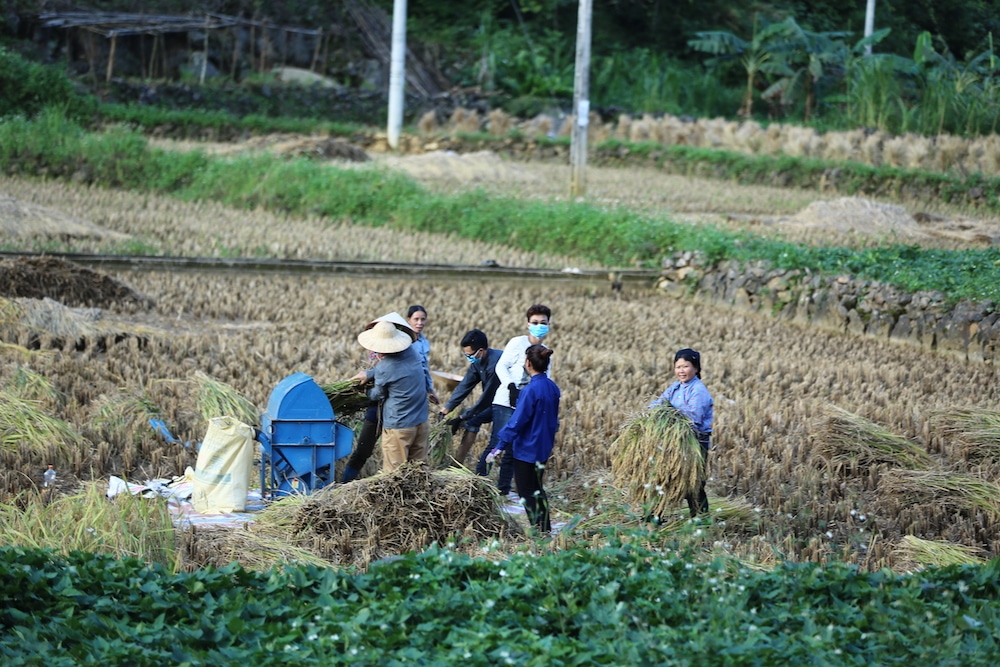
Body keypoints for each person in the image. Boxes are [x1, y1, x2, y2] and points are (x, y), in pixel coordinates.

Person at [488, 344, 560, 533]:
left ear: (528, 363)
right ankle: (546, 528)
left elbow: (517, 423)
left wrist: (499, 446)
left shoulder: (530, 391)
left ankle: (538, 530)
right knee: (538, 489)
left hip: (527, 450)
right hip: (544, 448)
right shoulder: (553, 388)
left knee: (526, 492)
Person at [341, 312, 417, 483]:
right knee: (363, 450)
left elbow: (384, 383)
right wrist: (368, 375)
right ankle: (344, 485)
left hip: (397, 411)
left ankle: (396, 485)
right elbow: (379, 372)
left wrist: (367, 391)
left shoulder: (409, 353)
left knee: (397, 454)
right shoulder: (377, 353)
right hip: (377, 409)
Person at [485, 304, 552, 496]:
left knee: (514, 450)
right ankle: (479, 482)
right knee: (497, 443)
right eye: (535, 322)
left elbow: (545, 378)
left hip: (526, 404)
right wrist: (510, 385)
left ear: (549, 324)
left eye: (543, 323)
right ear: (527, 324)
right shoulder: (517, 343)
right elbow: (501, 366)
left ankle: (503, 490)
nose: (539, 326)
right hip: (506, 401)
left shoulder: (545, 352)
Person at [351, 320, 429, 472]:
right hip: (421, 421)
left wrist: (364, 393)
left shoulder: (385, 367)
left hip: (399, 426)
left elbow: (378, 394)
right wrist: (369, 374)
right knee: (420, 470)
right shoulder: (412, 352)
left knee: (394, 474)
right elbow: (392, 372)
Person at [649, 348, 714, 518]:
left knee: (693, 482)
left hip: (695, 440)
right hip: (674, 439)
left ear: (696, 368)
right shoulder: (676, 387)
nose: (681, 371)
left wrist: (670, 415)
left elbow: (694, 417)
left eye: (685, 366)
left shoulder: (698, 390)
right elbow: (659, 403)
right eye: (678, 367)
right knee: (663, 477)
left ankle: (700, 519)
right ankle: (654, 518)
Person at [437, 329, 503, 467]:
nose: (468, 358)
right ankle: (456, 464)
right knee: (472, 421)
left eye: (470, 355)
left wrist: (463, 417)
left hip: (506, 404)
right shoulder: (477, 362)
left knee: (496, 439)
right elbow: (465, 385)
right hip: (495, 401)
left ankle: (484, 472)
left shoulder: (495, 364)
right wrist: (446, 409)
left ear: (481, 350)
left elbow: (486, 399)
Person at [406, 305, 439, 406]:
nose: (419, 323)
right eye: (416, 319)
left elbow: (424, 368)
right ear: (408, 320)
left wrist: (430, 390)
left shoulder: (424, 342)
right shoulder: (403, 340)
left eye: (423, 319)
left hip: (419, 387)